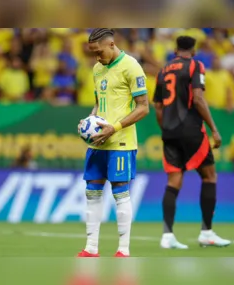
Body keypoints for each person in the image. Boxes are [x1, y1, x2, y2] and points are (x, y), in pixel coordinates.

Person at [77, 28, 150, 258]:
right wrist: (90, 122)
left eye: (99, 52)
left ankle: (123, 249)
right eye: (92, 53)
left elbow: (143, 107)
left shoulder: (131, 66)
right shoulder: (97, 69)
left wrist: (114, 128)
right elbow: (99, 104)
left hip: (121, 142)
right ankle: (91, 248)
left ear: (111, 44)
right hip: (98, 142)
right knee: (92, 192)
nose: (96, 57)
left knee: (120, 192)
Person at [153, 36, 231, 249]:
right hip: (192, 131)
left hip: (169, 133)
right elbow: (197, 98)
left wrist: (166, 129)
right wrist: (214, 129)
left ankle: (167, 236)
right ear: (193, 50)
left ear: (176, 49)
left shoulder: (163, 70)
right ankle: (206, 232)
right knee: (209, 176)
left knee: (173, 181)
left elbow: (158, 107)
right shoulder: (196, 65)